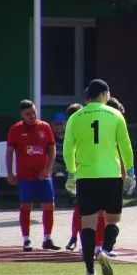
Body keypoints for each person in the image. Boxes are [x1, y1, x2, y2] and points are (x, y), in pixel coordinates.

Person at [63, 79, 135, 275]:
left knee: (88, 225)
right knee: (113, 220)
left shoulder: (76, 117)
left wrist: (71, 173)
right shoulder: (115, 114)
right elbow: (125, 145)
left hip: (86, 177)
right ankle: (104, 250)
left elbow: (69, 148)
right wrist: (130, 171)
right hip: (111, 175)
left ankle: (89, 271)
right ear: (105, 93)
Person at [6, 100, 60, 252]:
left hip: (43, 175)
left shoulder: (45, 127)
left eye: (34, 112)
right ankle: (26, 239)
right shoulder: (16, 129)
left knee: (49, 205)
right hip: (25, 175)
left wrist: (48, 169)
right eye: (28, 114)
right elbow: (9, 151)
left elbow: (52, 148)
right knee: (26, 206)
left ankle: (47, 238)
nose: (32, 116)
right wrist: (10, 172)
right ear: (22, 115)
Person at [64, 103, 84, 252]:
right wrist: (71, 173)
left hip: (92, 172)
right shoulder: (72, 131)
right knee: (80, 207)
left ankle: (90, 242)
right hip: (78, 173)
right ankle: (74, 237)